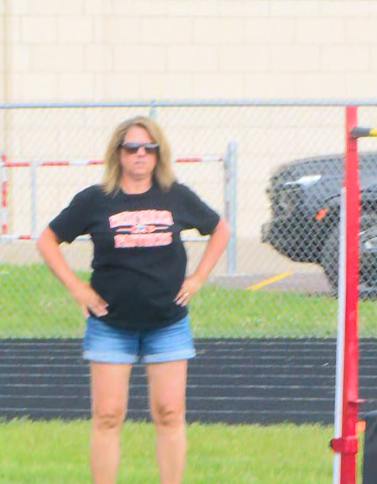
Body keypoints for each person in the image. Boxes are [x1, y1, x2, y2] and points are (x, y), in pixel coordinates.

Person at [36, 116, 230, 484]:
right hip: (111, 325)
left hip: (167, 323)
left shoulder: (176, 196)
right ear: (118, 154)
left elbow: (220, 228)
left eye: (148, 148)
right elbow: (47, 240)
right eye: (132, 148)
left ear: (158, 154)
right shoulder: (95, 200)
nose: (140, 154)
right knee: (108, 415)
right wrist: (78, 289)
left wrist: (199, 276)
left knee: (169, 412)